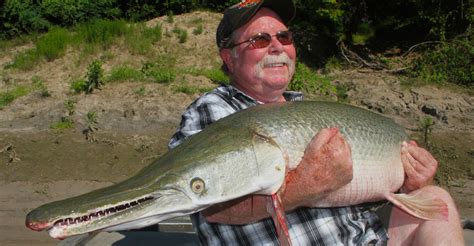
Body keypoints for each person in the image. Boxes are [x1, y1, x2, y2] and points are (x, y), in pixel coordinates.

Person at [168, 0, 464, 245]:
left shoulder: (308, 110)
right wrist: (302, 188)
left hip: (364, 239)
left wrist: (410, 183)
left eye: (284, 37)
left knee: (436, 201)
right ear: (229, 58)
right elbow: (210, 205)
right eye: (259, 40)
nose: (276, 47)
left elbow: (362, 195)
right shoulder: (213, 111)